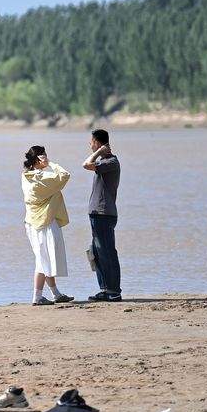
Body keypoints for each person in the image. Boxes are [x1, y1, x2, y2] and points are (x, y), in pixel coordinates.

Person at [21, 146, 73, 306]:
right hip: (45, 222)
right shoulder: (41, 177)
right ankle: (37, 297)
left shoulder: (26, 175)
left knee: (45, 258)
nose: (46, 157)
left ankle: (55, 293)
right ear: (37, 159)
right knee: (43, 260)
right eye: (43, 155)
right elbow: (65, 175)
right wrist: (51, 163)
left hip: (32, 222)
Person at [83, 129, 122, 302]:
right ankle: (105, 289)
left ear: (98, 143)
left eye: (91, 142)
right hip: (97, 214)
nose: (90, 145)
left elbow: (86, 165)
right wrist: (99, 153)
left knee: (107, 252)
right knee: (97, 253)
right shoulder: (104, 162)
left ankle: (114, 291)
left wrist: (99, 152)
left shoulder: (111, 162)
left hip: (104, 213)